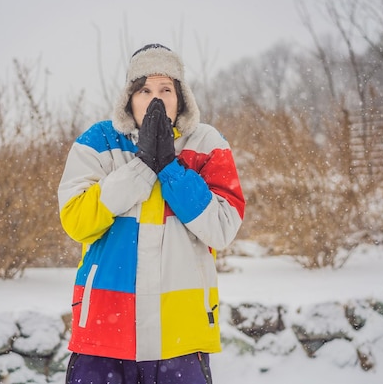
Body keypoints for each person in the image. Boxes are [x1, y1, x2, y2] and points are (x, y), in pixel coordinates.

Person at [58, 43, 245, 384]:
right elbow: (76, 222)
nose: (155, 99)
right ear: (128, 97)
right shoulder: (99, 141)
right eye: (144, 89)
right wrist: (142, 167)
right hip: (104, 334)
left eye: (165, 89)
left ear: (181, 97)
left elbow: (222, 228)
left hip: (181, 338)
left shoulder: (206, 143)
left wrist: (170, 168)